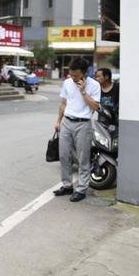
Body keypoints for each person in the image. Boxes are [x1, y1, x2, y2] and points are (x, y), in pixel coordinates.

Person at [53, 57, 101, 202]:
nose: (73, 77)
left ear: (84, 73)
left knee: (83, 158)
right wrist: (58, 121)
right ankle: (67, 186)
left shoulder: (94, 85)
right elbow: (63, 103)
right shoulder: (67, 83)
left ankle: (81, 189)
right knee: (64, 156)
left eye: (76, 75)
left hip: (83, 124)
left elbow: (95, 107)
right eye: (71, 74)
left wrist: (84, 92)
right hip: (67, 122)